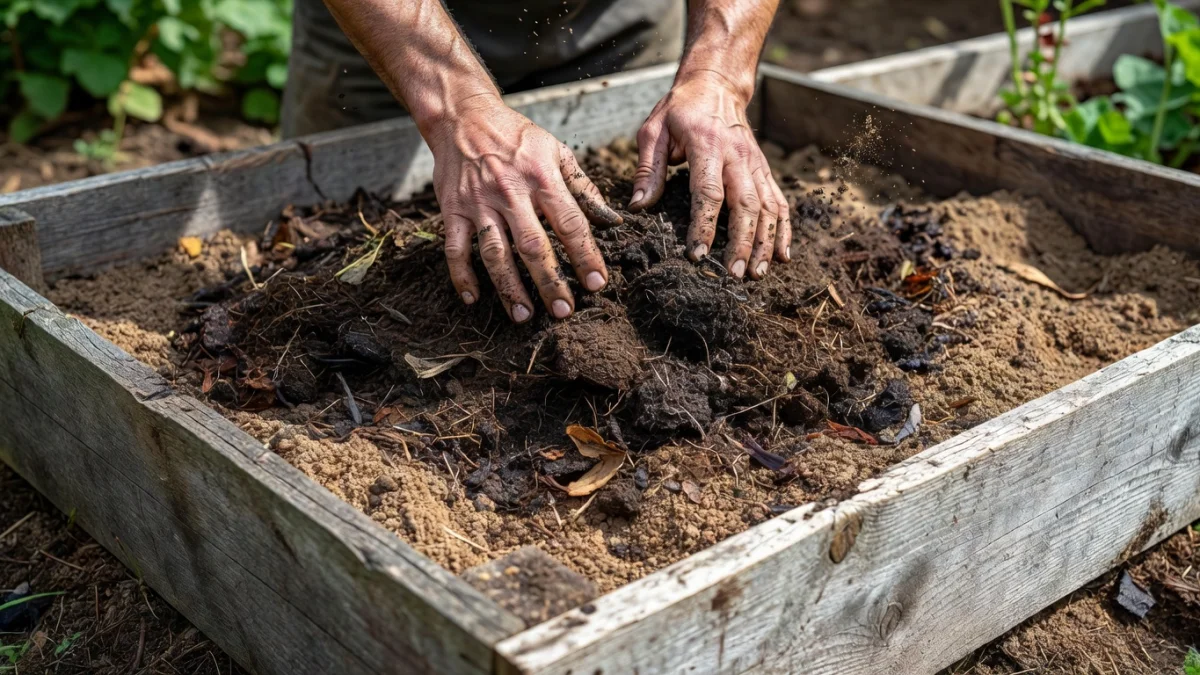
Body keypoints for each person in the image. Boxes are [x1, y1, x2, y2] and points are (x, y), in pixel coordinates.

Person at [282, 0, 791, 324]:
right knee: (328, 224)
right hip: (396, 26)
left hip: (610, 20)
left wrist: (719, 74)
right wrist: (457, 109)